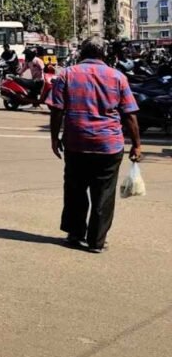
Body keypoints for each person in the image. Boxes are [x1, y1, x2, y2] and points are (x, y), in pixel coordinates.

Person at [46, 36, 141, 253]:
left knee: (75, 190)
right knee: (104, 193)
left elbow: (56, 110)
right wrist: (137, 144)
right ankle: (97, 241)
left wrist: (54, 138)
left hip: (76, 143)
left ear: (82, 52)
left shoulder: (67, 75)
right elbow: (129, 115)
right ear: (103, 54)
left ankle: (75, 233)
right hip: (108, 145)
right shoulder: (117, 77)